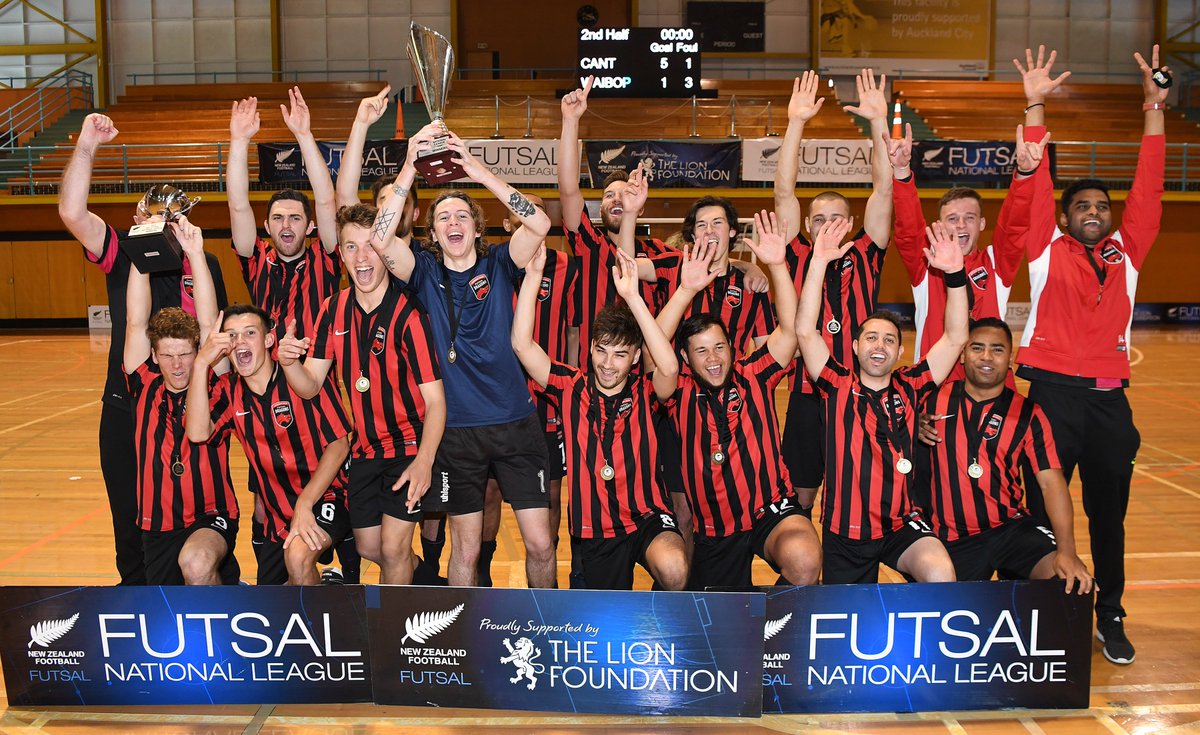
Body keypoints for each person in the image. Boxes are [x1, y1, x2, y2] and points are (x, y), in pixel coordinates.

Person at [1011, 45, 1169, 666]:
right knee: (1038, 515)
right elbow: (1039, 186)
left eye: (1103, 207)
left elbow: (1150, 185)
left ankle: (1111, 612)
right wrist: (1035, 104)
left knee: (1109, 520)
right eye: (1084, 206)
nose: (1096, 213)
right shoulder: (1045, 251)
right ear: (1066, 218)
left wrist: (1154, 105)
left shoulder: (1128, 255)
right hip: (1049, 398)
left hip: (1108, 404)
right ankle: (1038, 610)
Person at [367, 122, 557, 588]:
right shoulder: (424, 272)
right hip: (456, 432)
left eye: (462, 216)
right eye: (444, 218)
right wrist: (410, 167)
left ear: (476, 227)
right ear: (433, 231)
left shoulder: (500, 264)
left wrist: (475, 169)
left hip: (515, 422)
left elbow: (540, 222)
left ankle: (548, 631)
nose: (453, 223)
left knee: (541, 544)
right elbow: (379, 238)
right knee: (465, 548)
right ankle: (463, 646)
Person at [58, 113, 228, 585]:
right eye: (153, 216)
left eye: (172, 218)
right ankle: (136, 609)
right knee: (130, 522)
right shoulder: (121, 252)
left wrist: (194, 255)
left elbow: (213, 329)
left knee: (198, 520)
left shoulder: (204, 263)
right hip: (129, 409)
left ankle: (214, 595)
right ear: (137, 220)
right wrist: (88, 145)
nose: (164, 225)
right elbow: (72, 214)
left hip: (190, 411)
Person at [228, 89, 362, 585]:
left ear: (309, 227)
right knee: (268, 495)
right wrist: (239, 142)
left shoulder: (328, 261)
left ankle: (345, 576)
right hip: (266, 392)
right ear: (268, 227)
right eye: (278, 218)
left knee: (343, 513)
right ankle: (279, 577)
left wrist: (305, 135)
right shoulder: (257, 261)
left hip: (319, 393)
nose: (287, 225)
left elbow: (327, 198)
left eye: (295, 218)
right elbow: (237, 204)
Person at [277, 204, 446, 586]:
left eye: (370, 246)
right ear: (342, 255)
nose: (361, 257)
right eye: (351, 247)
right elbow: (311, 385)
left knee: (392, 549)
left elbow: (436, 401)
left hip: (408, 446)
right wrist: (288, 362)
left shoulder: (408, 314)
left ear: (386, 252)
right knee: (370, 547)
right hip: (366, 451)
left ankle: (394, 637)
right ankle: (430, 584)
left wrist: (424, 461)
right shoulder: (332, 309)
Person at [654, 209, 821, 590]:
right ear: (684, 359)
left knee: (805, 558)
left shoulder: (755, 373)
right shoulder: (677, 390)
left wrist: (777, 265)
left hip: (769, 509)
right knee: (715, 614)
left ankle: (775, 632)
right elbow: (654, 351)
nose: (713, 359)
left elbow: (792, 332)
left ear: (733, 348)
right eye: (701, 351)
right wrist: (684, 291)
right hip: (716, 526)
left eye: (719, 348)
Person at [796, 217, 966, 585]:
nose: (880, 346)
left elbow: (955, 338)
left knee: (940, 573)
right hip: (848, 530)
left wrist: (955, 274)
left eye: (889, 340)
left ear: (899, 351)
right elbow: (805, 330)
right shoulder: (834, 383)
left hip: (901, 522)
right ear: (855, 348)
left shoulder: (911, 383)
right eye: (871, 338)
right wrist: (818, 263)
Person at [557, 76, 767, 366]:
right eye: (608, 196)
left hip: (646, 377)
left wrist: (748, 266)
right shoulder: (588, 244)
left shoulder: (658, 252)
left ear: (639, 208)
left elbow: (707, 259)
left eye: (625, 194)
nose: (617, 199)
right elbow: (568, 190)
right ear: (599, 208)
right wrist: (570, 121)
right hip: (596, 369)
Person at [513, 245, 687, 590]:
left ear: (636, 357)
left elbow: (668, 366)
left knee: (675, 568)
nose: (608, 364)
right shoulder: (568, 386)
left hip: (648, 516)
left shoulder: (646, 391)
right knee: (605, 614)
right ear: (590, 348)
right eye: (601, 351)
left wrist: (633, 297)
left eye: (621, 354)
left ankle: (662, 630)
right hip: (596, 528)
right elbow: (522, 346)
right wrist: (533, 278)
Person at [888, 46, 1067, 364]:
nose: (960, 225)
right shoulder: (925, 266)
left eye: (969, 217)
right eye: (952, 218)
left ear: (982, 224)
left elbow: (1016, 221)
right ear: (939, 226)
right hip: (936, 391)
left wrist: (1025, 172)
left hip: (990, 389)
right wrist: (901, 173)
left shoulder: (997, 264)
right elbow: (906, 226)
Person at [335, 85, 447, 583]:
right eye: (377, 206)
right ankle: (423, 579)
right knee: (378, 546)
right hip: (378, 421)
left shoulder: (411, 262)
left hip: (426, 402)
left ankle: (416, 599)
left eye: (392, 206)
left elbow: (375, 231)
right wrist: (361, 127)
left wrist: (410, 162)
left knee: (417, 534)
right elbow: (343, 205)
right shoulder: (366, 257)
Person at [774, 69, 893, 517]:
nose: (828, 226)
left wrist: (879, 123)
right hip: (807, 398)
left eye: (838, 218)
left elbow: (884, 188)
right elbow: (784, 190)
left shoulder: (867, 251)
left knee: (856, 500)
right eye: (819, 219)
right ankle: (805, 580)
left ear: (852, 222)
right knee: (800, 503)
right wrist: (796, 123)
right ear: (806, 226)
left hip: (860, 396)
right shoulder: (797, 253)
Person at [920, 318, 1093, 596]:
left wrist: (1067, 551)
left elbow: (1052, 484)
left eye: (997, 349)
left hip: (1010, 529)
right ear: (962, 355)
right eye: (977, 348)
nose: (986, 357)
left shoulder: (1029, 413)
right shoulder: (930, 400)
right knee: (950, 612)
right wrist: (913, 425)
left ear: (1010, 359)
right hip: (952, 538)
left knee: (1070, 583)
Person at [186, 304, 353, 585]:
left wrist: (305, 503)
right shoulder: (229, 390)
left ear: (268, 340)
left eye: (250, 333)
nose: (240, 341)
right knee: (272, 602)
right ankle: (325, 587)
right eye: (232, 336)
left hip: (328, 495)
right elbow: (197, 433)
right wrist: (201, 364)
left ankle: (315, 619)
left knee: (299, 557)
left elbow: (339, 445)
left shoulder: (302, 378)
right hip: (278, 517)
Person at [124, 218, 239, 585]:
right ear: (154, 356)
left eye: (186, 355)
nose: (177, 365)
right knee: (170, 611)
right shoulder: (143, 385)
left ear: (198, 353)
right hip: (156, 522)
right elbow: (135, 320)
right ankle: (231, 589)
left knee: (197, 563)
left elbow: (208, 324)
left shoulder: (217, 387)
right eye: (168, 355)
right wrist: (142, 246)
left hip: (210, 513)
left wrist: (195, 252)